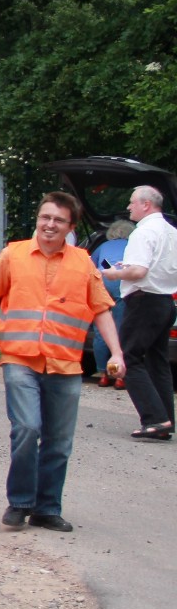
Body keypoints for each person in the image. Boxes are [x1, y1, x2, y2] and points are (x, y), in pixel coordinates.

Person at [0, 192, 122, 530]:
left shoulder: (83, 262)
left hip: (65, 363)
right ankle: (20, 502)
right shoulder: (14, 254)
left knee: (59, 442)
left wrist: (116, 353)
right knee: (27, 428)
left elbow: (101, 309)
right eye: (45, 217)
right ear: (38, 220)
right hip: (20, 358)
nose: (50, 224)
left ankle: (47, 508)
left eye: (58, 220)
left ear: (70, 227)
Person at [107, 186, 177, 439]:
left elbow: (138, 271)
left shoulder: (143, 232)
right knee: (158, 361)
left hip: (143, 300)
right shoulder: (171, 231)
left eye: (132, 202)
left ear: (146, 204)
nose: (128, 207)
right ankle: (165, 420)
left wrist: (114, 273)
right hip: (165, 300)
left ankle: (154, 418)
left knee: (128, 357)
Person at [89, 219, 132, 387]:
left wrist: (108, 267)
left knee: (101, 331)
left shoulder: (103, 246)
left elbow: (93, 265)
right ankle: (119, 376)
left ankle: (103, 374)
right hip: (121, 284)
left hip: (102, 282)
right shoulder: (132, 245)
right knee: (120, 329)